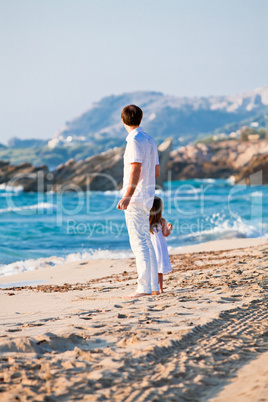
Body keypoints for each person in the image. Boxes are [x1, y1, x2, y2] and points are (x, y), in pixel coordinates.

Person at [117, 104, 160, 297]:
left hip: (136, 197)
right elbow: (156, 171)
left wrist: (128, 195)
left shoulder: (134, 141)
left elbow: (135, 168)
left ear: (123, 120)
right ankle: (152, 286)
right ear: (140, 118)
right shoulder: (150, 140)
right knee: (146, 242)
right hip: (148, 195)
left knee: (139, 243)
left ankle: (144, 287)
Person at [149, 196, 173, 293]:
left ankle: (151, 288)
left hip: (150, 247)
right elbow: (165, 234)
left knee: (151, 268)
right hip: (159, 248)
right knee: (159, 270)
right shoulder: (162, 221)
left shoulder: (146, 221)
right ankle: (160, 289)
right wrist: (170, 229)